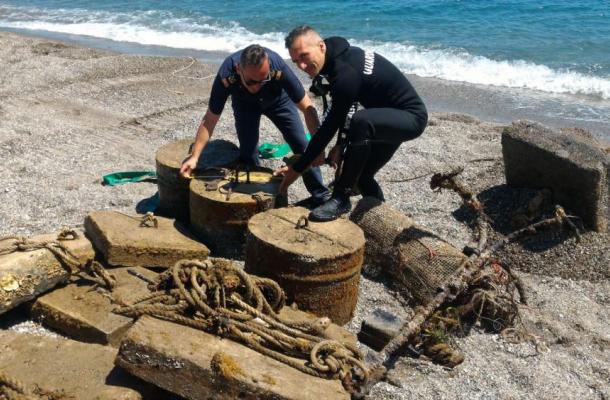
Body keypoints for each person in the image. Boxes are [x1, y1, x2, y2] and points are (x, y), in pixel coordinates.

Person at [276, 26, 428, 221]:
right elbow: (349, 105)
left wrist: (298, 168)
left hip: (410, 118)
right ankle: (381, 221)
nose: (302, 66)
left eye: (304, 56)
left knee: (362, 121)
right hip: (385, 120)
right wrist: (341, 144)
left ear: (321, 46)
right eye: (296, 61)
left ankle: (341, 197)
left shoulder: (345, 71)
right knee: (362, 177)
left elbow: (330, 125)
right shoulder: (338, 59)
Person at [180, 44, 330, 205]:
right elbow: (210, 118)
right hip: (245, 106)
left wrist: (318, 145)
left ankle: (320, 195)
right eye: (252, 81)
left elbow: (307, 107)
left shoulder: (277, 66)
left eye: (263, 80)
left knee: (301, 144)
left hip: (278, 101)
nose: (257, 86)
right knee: (248, 152)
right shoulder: (226, 74)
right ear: (238, 69)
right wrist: (195, 157)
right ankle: (253, 199)